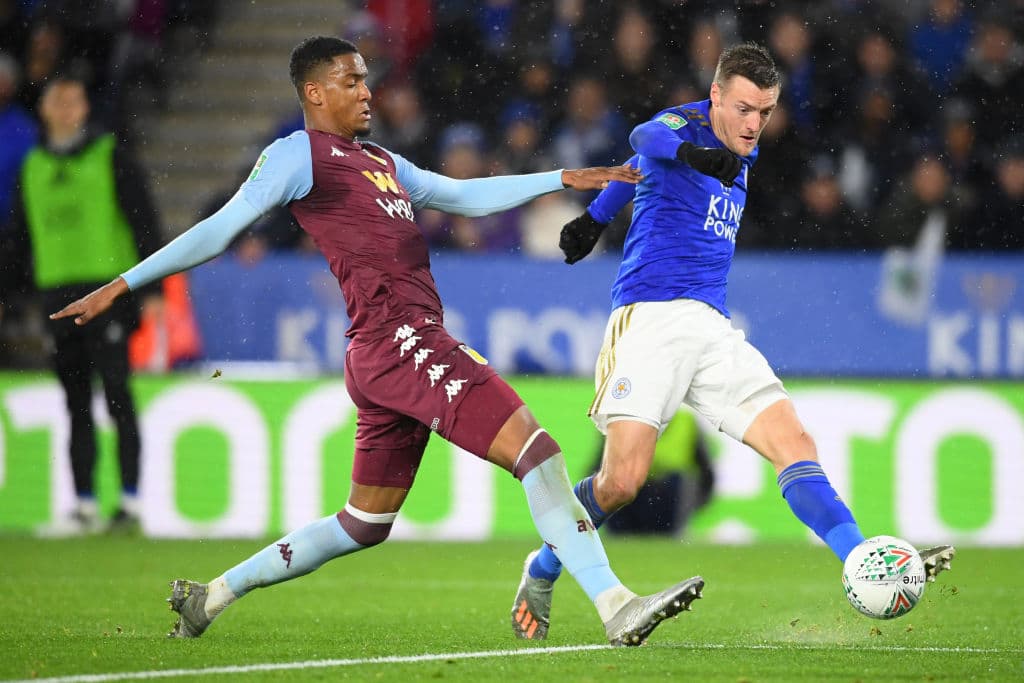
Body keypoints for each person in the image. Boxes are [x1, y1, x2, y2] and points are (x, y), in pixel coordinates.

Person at [50, 36, 704, 646]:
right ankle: (614, 603)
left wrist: (560, 179)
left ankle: (213, 595)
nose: (367, 92)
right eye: (351, 81)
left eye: (366, 80)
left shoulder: (383, 163)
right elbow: (221, 228)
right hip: (402, 340)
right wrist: (125, 283)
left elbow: (460, 195)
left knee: (363, 523)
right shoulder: (298, 155)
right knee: (537, 453)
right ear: (315, 93)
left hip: (384, 354)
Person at [510, 42, 956, 641]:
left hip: (713, 327)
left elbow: (638, 164)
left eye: (764, 112)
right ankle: (541, 567)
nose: (753, 124)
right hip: (650, 317)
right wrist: (604, 212)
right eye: (743, 109)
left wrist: (597, 216)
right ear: (715, 95)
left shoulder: (743, 147)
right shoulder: (684, 128)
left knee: (794, 441)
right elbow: (646, 138)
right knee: (621, 483)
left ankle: (860, 560)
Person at [3, 74, 161, 534]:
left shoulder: (110, 155)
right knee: (74, 402)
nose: (66, 110)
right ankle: (85, 504)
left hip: (108, 292)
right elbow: (18, 239)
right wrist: (6, 295)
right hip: (57, 295)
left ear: (86, 108)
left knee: (117, 393)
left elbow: (143, 220)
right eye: (58, 101)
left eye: (74, 101)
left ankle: (129, 502)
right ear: (43, 109)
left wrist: (152, 290)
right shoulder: (31, 167)